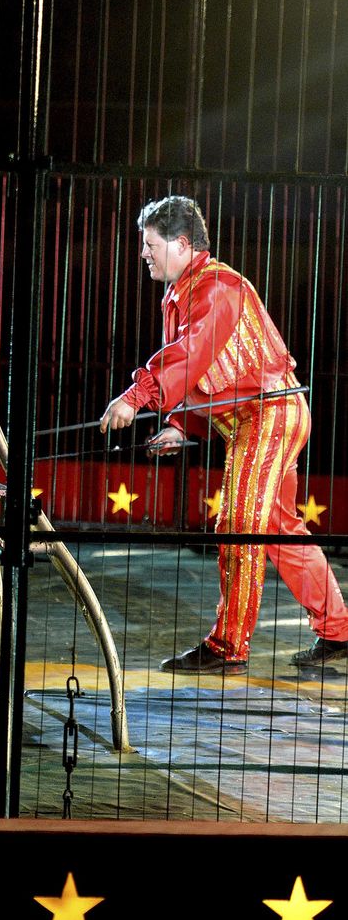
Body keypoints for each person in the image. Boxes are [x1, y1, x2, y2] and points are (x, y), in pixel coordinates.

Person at [99, 195, 348, 674]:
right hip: (258, 418)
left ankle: (228, 646)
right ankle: (338, 631)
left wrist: (137, 396)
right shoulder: (184, 292)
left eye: (151, 245)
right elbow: (202, 375)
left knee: (238, 526)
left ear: (183, 244)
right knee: (277, 531)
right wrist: (177, 426)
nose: (144, 254)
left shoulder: (217, 287)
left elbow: (191, 354)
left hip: (268, 416)